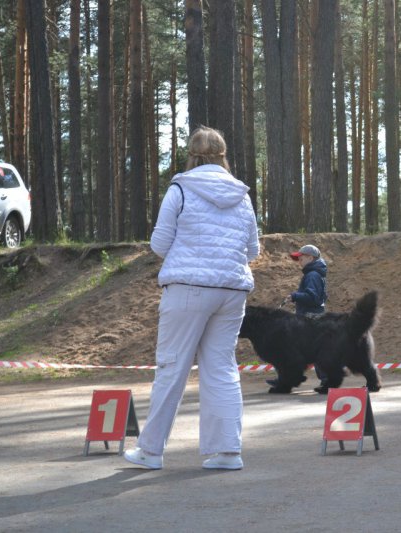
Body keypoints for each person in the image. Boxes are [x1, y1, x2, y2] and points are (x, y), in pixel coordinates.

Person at [124, 126, 259, 471]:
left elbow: (159, 244)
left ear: (193, 155)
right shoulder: (242, 195)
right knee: (222, 368)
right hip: (231, 291)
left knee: (172, 367)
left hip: (187, 287)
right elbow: (253, 250)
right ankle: (228, 452)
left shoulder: (180, 188)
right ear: (223, 155)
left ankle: (151, 451)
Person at [289, 244, 331, 394]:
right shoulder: (315, 274)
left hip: (309, 318)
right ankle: (288, 378)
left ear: (310, 258)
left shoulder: (312, 275)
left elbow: (312, 297)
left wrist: (295, 296)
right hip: (313, 317)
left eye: (301, 257)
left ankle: (327, 380)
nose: (299, 260)